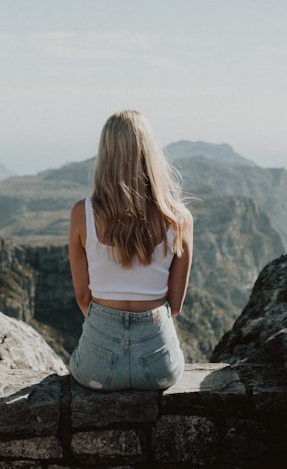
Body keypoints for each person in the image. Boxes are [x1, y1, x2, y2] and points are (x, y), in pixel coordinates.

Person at [68, 109, 193, 391]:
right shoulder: (180, 218)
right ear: (151, 154)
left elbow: (83, 296)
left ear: (105, 154)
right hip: (158, 370)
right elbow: (175, 305)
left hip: (96, 370)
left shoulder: (82, 213)